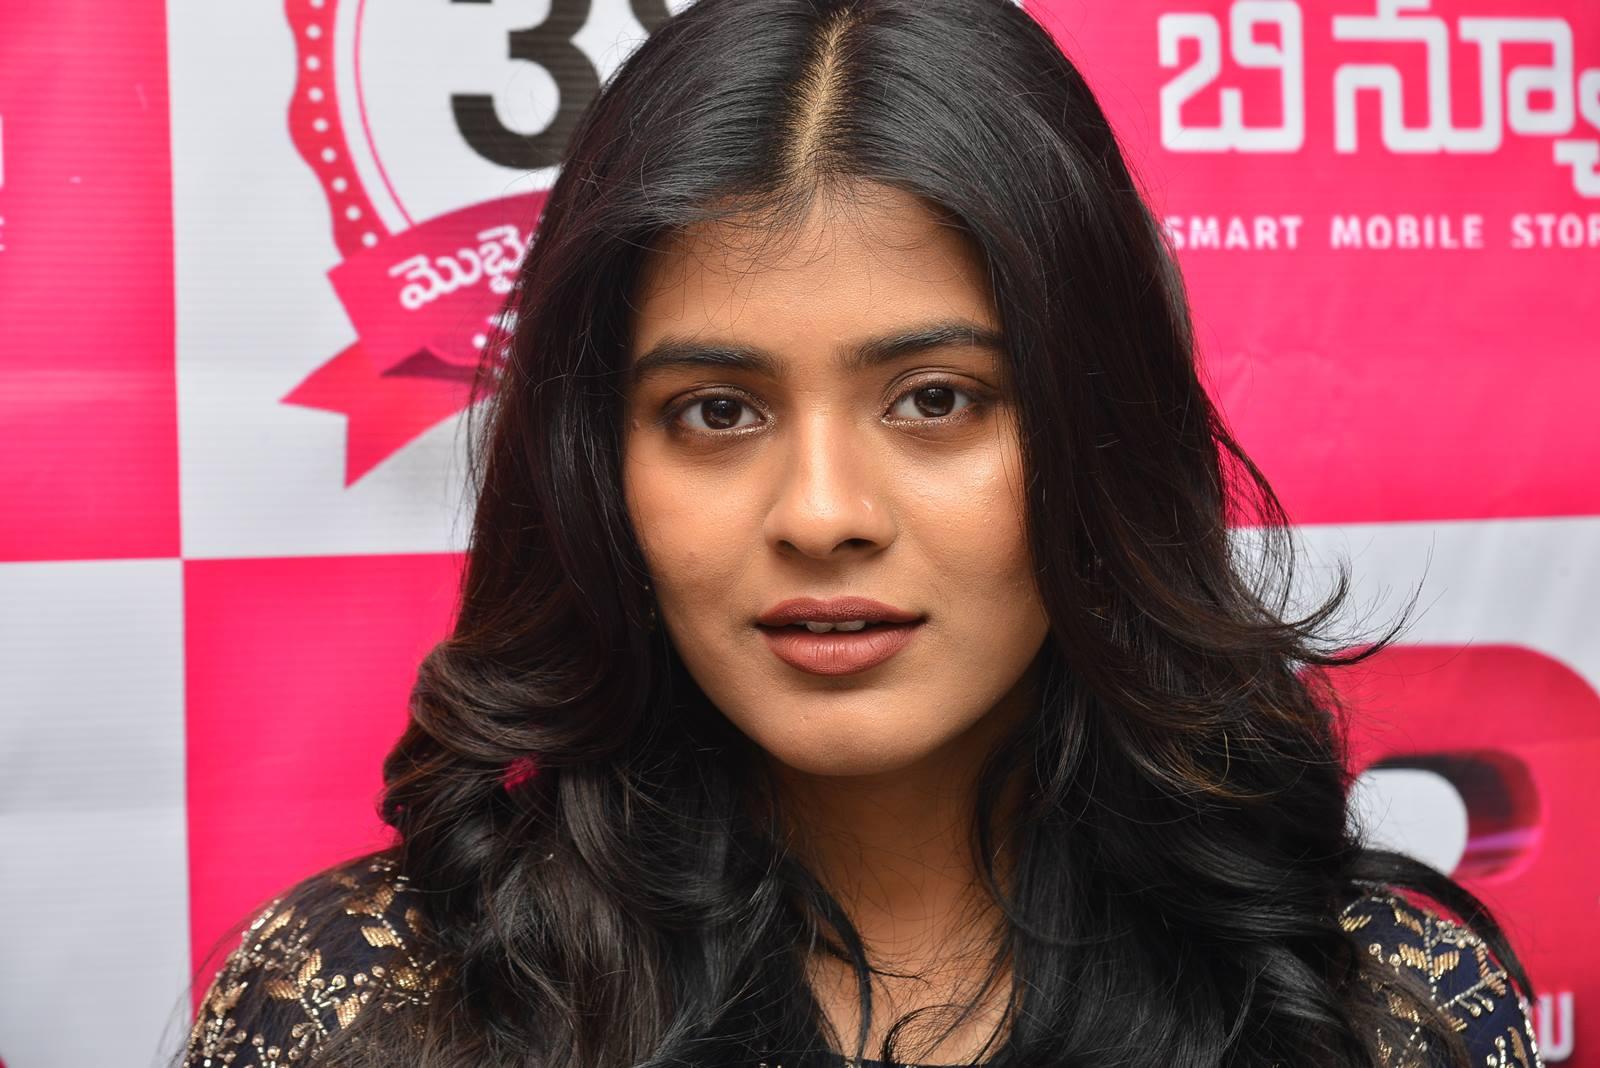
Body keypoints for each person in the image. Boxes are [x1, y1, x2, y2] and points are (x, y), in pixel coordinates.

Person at [178, 1, 1544, 1066]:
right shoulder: (372, 1007)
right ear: (599, 466)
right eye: (716, 412)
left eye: (936, 400)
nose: (823, 515)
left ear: (1098, 429)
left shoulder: (1378, 1006)